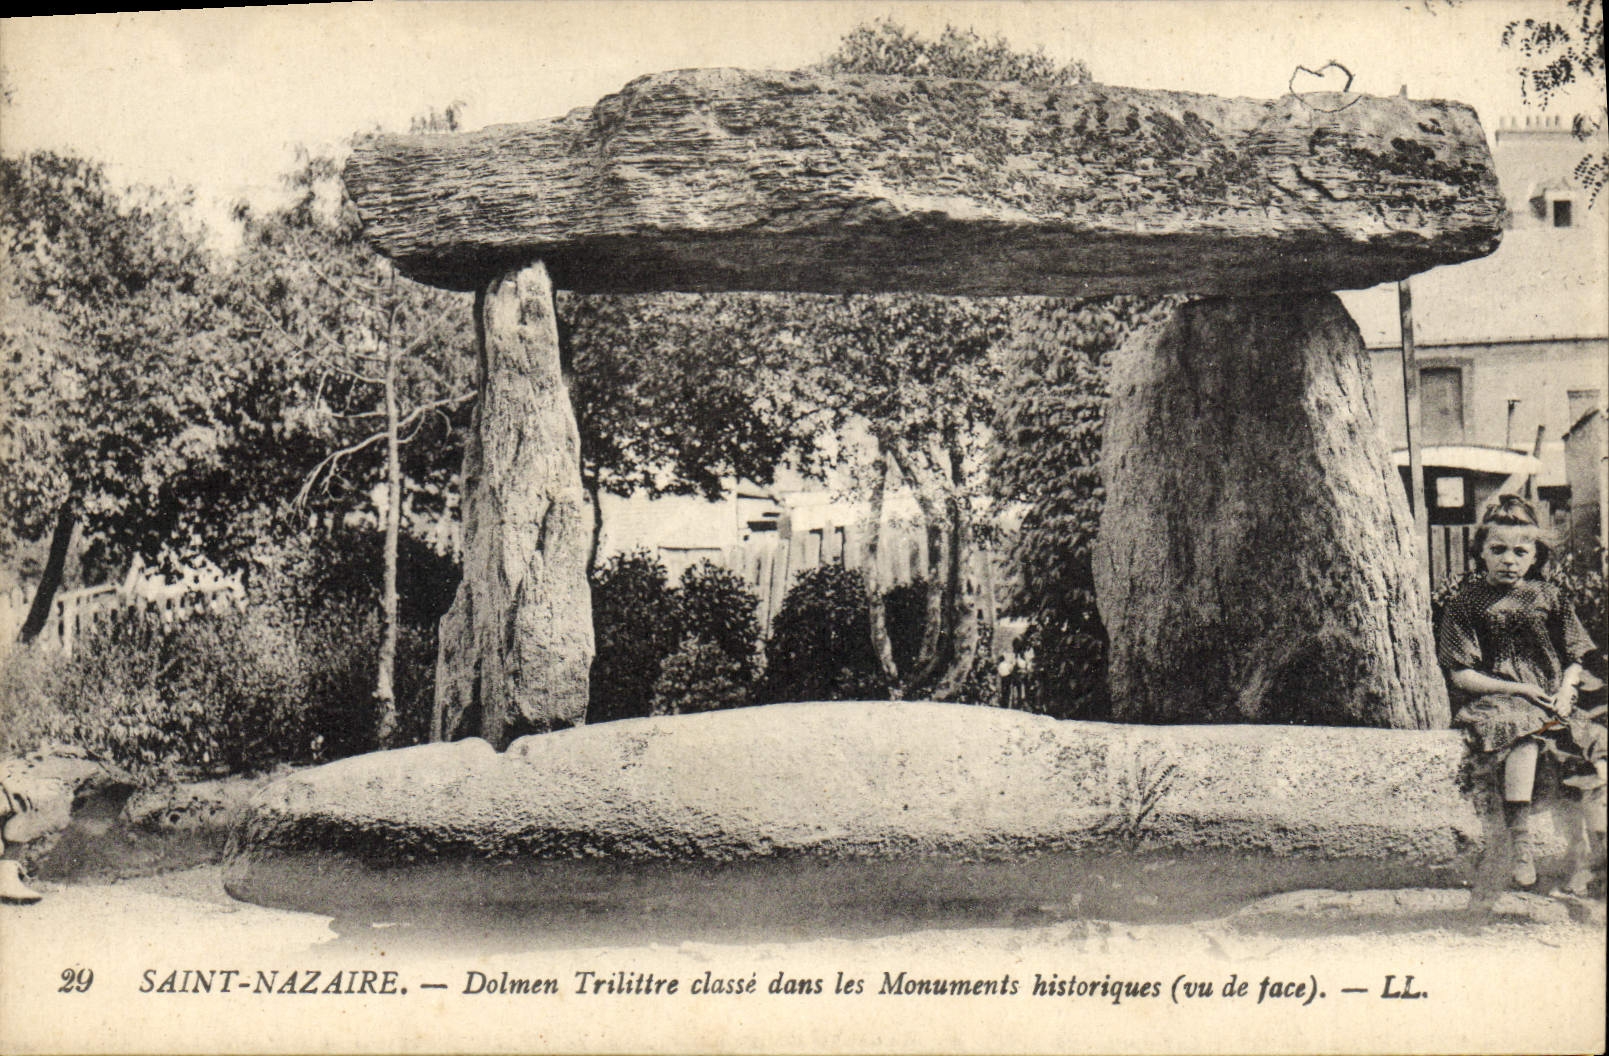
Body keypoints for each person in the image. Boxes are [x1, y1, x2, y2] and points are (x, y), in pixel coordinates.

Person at [1438, 495, 1606, 896]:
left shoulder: (1549, 597)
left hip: (1549, 699)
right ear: (1480, 551)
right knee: (1524, 736)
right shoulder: (1466, 603)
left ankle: (1597, 854)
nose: (1508, 560)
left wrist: (1566, 688)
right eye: (1498, 549)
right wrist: (1519, 688)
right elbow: (1460, 674)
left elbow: (1575, 656)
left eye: (1520, 551)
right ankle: (1521, 843)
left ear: (1535, 555)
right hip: (1499, 700)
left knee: (1595, 744)